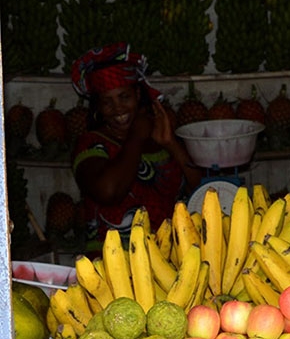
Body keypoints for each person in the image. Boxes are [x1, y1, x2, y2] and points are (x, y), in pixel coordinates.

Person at [70, 43, 201, 254]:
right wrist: (136, 137)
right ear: (98, 106)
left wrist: (171, 144)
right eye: (107, 102)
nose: (118, 109)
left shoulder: (158, 138)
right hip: (113, 261)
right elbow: (108, 191)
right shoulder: (91, 144)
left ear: (138, 95)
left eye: (124, 97)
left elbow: (201, 191)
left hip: (169, 257)